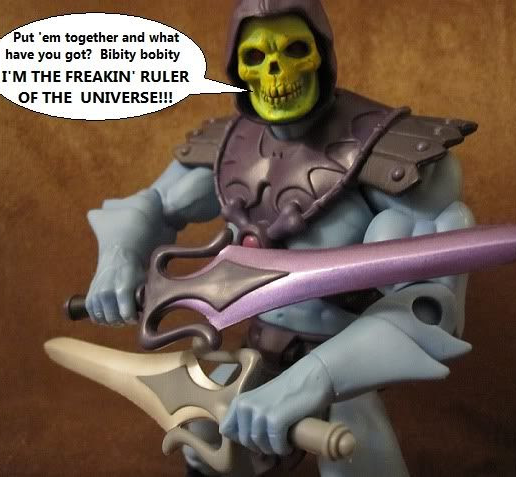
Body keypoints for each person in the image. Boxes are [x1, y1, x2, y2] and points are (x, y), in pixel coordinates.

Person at [85, 1, 476, 475]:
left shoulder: (393, 152)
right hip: (258, 352)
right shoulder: (227, 146)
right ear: (238, 69)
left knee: (359, 459)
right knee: (203, 442)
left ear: (321, 54)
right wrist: (118, 260)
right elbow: (149, 205)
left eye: (294, 50)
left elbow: (431, 305)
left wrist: (316, 377)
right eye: (256, 57)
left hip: (344, 364)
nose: (275, 71)